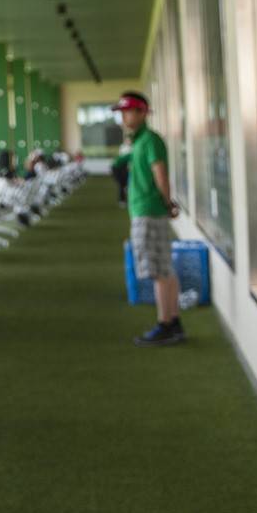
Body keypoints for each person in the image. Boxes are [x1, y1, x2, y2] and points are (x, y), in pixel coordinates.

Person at [110, 90, 184, 346]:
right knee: (164, 268)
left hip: (149, 212)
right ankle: (173, 322)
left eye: (127, 111)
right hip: (148, 211)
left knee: (158, 271)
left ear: (142, 112)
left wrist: (167, 202)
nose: (123, 117)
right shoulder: (138, 141)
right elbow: (121, 164)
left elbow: (160, 174)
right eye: (121, 112)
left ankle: (166, 324)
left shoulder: (150, 140)